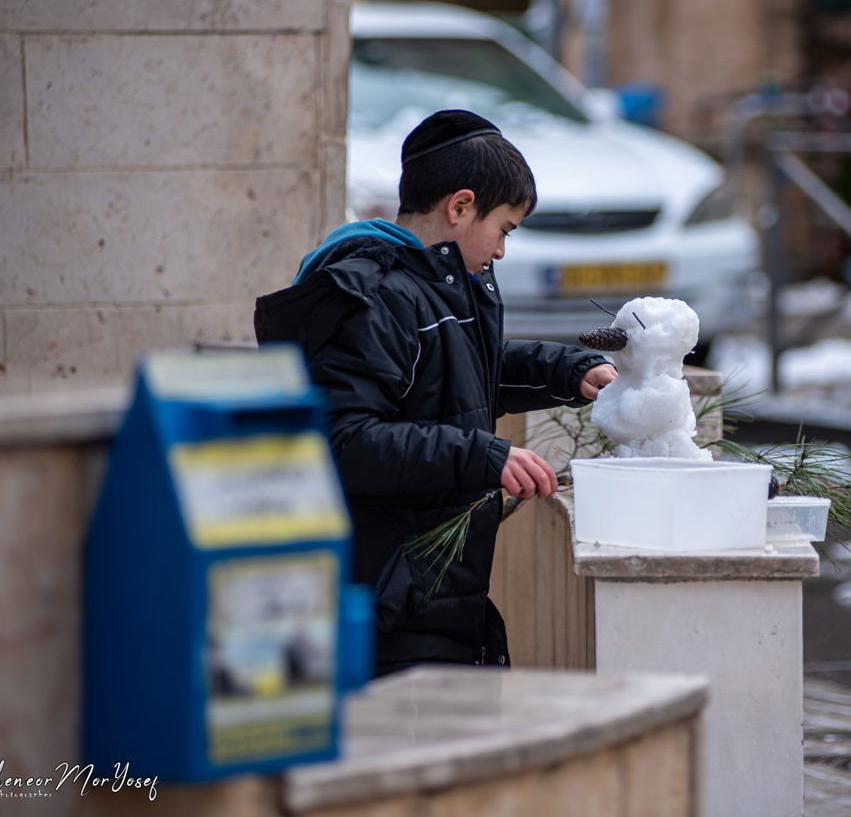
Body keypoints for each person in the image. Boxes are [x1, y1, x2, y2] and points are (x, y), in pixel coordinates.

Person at [254, 109, 617, 675]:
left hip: (431, 593)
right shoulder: (379, 296)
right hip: (388, 598)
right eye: (505, 229)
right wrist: (484, 456)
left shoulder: (440, 286)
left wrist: (567, 372)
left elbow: (460, 377)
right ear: (460, 206)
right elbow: (343, 440)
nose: (501, 250)